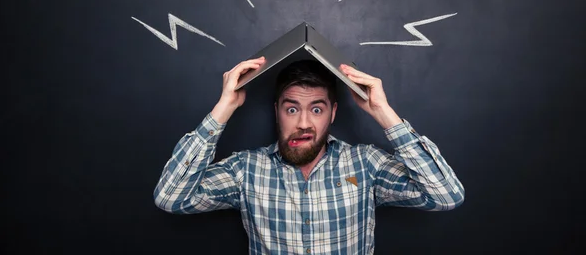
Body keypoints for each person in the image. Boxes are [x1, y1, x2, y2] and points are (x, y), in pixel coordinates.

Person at [154, 57, 465, 254]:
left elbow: (445, 195)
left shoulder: (366, 164)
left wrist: (382, 113)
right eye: (292, 109)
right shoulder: (246, 169)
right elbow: (171, 198)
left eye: (316, 109)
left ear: (332, 114)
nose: (303, 123)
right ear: (276, 112)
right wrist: (224, 109)